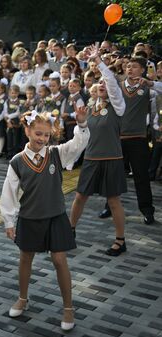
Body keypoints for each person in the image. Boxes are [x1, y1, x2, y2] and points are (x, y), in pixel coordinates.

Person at [0, 110, 89, 331]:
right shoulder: (17, 162)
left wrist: (82, 124)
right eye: (38, 133)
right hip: (30, 218)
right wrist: (9, 221)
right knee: (25, 258)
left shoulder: (57, 154)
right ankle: (22, 297)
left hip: (56, 216)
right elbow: (9, 193)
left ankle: (68, 307)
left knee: (60, 260)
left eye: (47, 135)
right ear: (28, 130)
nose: (42, 139)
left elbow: (78, 144)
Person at [70, 45, 128, 256]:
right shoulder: (91, 107)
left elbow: (112, 83)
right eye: (100, 82)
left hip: (112, 158)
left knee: (113, 201)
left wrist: (99, 61)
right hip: (92, 158)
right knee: (79, 197)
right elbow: (83, 134)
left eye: (105, 82)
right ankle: (70, 230)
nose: (103, 84)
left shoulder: (118, 105)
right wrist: (81, 122)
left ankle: (120, 241)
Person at [98, 56, 156, 225]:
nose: (130, 69)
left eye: (135, 66)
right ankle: (109, 206)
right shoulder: (117, 87)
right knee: (113, 176)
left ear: (143, 70)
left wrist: (151, 83)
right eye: (128, 66)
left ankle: (147, 210)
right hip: (117, 139)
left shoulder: (147, 88)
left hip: (138, 139)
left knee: (141, 177)